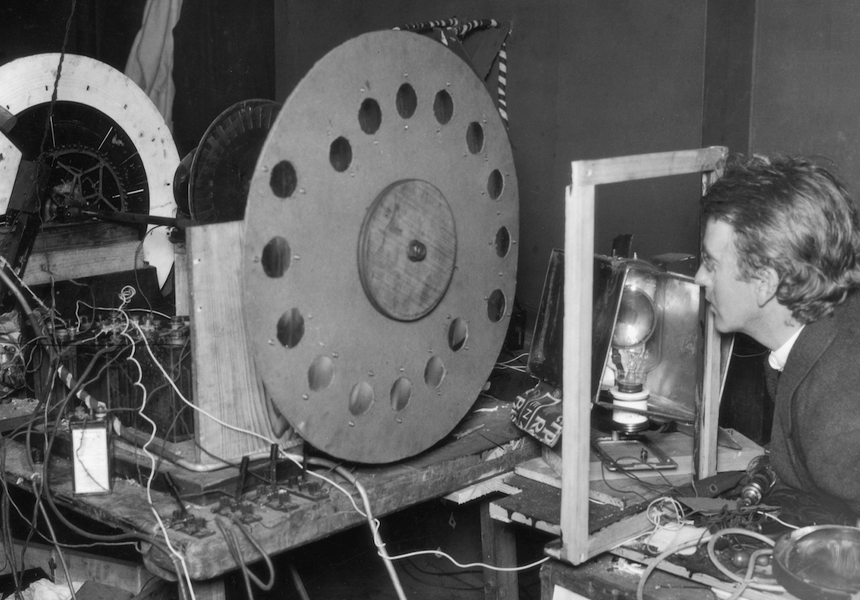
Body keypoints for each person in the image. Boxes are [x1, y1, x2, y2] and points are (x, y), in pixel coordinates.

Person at [694, 154, 860, 523]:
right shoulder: (827, 333)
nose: (700, 278)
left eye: (712, 264)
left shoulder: (836, 421)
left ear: (766, 283)